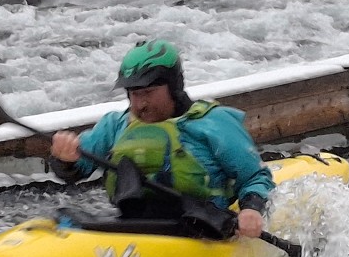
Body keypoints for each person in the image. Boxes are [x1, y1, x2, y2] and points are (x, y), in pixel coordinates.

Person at [50, 40, 273, 239]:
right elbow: (74, 169)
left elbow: (255, 176)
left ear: (174, 87)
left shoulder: (213, 124)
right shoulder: (116, 125)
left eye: (148, 92)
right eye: (134, 94)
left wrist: (251, 209)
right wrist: (65, 158)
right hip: (135, 228)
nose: (140, 104)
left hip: (203, 230)